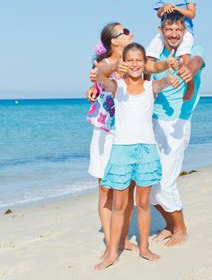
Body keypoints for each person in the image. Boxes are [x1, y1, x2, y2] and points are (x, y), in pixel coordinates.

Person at [94, 43, 179, 269]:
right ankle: (112, 251)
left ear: (144, 64)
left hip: (146, 150)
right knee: (120, 205)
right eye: (129, 60)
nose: (134, 64)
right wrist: (115, 66)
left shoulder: (151, 86)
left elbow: (164, 78)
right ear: (124, 62)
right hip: (122, 150)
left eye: (138, 60)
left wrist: (171, 74)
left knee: (142, 203)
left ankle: (144, 247)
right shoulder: (117, 86)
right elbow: (100, 76)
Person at [148, 11, 206, 247]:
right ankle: (170, 225)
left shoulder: (194, 50)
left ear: (184, 32)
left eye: (178, 30)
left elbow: (197, 62)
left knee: (165, 181)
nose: (173, 34)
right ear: (161, 30)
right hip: (153, 121)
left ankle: (181, 229)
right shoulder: (154, 54)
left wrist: (188, 71)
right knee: (150, 182)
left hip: (177, 122)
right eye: (169, 30)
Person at [85, 22, 137, 258]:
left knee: (126, 189)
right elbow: (100, 76)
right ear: (114, 40)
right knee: (105, 190)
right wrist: (92, 86)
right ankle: (110, 243)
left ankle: (123, 238)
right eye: (124, 32)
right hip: (105, 134)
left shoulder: (135, 62)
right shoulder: (102, 66)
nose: (129, 33)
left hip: (129, 132)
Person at [147, 0, 196, 100]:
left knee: (185, 55)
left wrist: (177, 9)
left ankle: (189, 85)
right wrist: (164, 8)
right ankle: (147, 85)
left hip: (184, 30)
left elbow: (192, 14)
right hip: (166, 30)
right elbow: (158, 14)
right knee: (150, 52)